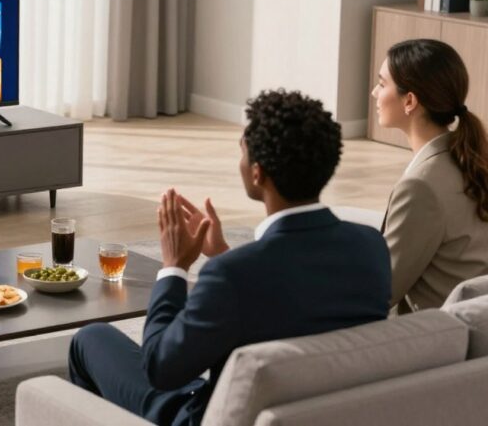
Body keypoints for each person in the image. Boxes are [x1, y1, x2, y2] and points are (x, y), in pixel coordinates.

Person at [68, 89, 391, 426]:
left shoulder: (232, 277)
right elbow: (289, 298)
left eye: (242, 152)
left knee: (90, 338)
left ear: (257, 173)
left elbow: (160, 369)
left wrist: (174, 266)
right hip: (316, 411)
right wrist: (223, 254)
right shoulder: (370, 246)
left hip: (214, 416)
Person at [371, 38, 488, 313]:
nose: (374, 92)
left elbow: (381, 291)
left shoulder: (421, 186)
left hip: (432, 329)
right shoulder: (468, 159)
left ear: (410, 101)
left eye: (382, 84)